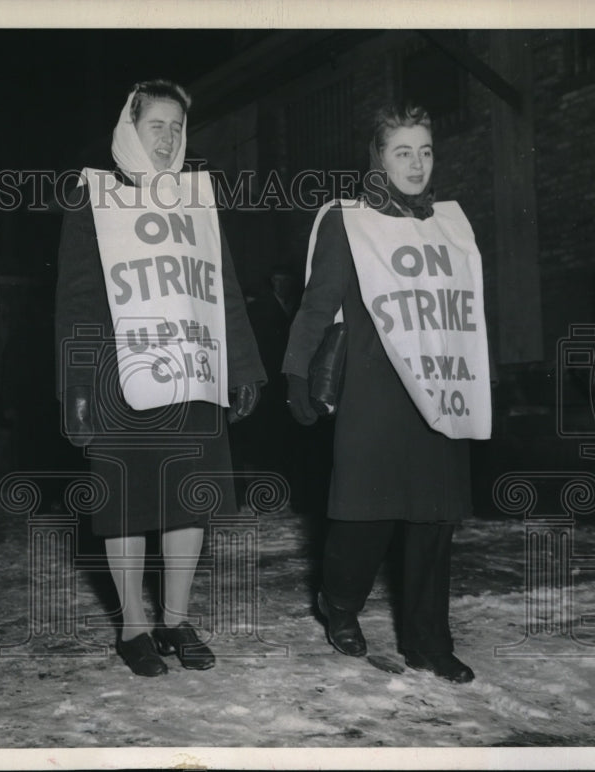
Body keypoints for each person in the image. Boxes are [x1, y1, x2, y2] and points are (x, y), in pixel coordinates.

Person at [55, 80, 266, 676]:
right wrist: (75, 390)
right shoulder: (92, 196)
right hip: (117, 375)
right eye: (157, 125)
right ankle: (133, 627)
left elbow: (221, 286)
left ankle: (175, 619)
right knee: (127, 503)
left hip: (191, 374)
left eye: (177, 126)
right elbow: (74, 299)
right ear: (131, 127)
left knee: (187, 501)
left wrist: (242, 369)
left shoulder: (197, 198)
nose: (169, 137)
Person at [282, 104, 492, 684]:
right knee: (363, 517)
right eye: (403, 152)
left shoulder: (449, 223)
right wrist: (297, 371)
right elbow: (317, 304)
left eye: (425, 151)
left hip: (439, 383)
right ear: (378, 158)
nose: (417, 164)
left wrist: (475, 373)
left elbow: (465, 311)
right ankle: (340, 601)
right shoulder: (348, 222)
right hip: (374, 386)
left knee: (435, 516)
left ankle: (428, 640)